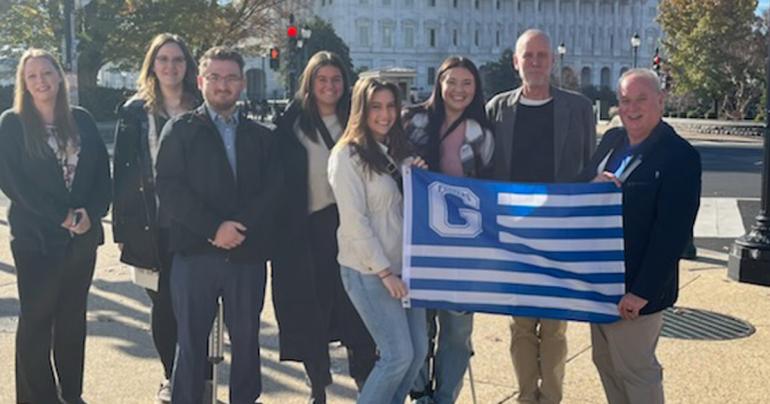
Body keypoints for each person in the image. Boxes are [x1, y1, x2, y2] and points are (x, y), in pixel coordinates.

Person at [155, 46, 280, 404]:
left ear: (241, 83)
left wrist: (238, 227)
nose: (222, 85)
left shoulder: (263, 136)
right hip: (195, 254)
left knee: (246, 342)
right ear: (201, 80)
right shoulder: (180, 129)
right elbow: (169, 187)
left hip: (247, 254)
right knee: (190, 344)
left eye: (230, 78)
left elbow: (273, 190)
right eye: (215, 77)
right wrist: (213, 229)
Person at [485, 29, 596, 404]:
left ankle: (550, 398)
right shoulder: (497, 108)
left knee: (554, 328)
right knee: (519, 328)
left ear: (552, 61)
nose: (535, 62)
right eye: (528, 55)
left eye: (541, 55)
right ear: (516, 62)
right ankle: (524, 396)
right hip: (514, 233)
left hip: (559, 233)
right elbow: (482, 169)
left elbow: (588, 166)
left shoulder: (578, 108)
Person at [578, 68, 701, 404]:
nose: (631, 108)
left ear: (660, 101)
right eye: (625, 100)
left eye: (641, 99)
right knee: (605, 362)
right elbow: (579, 188)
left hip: (634, 292)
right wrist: (591, 187)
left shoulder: (679, 155)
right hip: (599, 283)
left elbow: (673, 233)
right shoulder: (612, 141)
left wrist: (641, 292)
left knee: (636, 370)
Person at [0, 48, 111, 404]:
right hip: (36, 240)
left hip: (81, 240)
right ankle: (37, 397)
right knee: (36, 319)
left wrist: (92, 213)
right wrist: (59, 216)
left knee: (72, 319)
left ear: (60, 76)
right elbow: (13, 182)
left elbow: (101, 177)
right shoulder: (13, 124)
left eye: (46, 73)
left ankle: (71, 393)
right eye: (32, 76)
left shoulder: (82, 119)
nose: (41, 81)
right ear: (24, 83)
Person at [272, 51, 376, 403]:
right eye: (322, 80)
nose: (329, 86)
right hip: (307, 230)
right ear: (310, 83)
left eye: (335, 79)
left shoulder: (358, 121)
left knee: (357, 310)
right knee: (310, 309)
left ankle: (364, 377)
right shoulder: (292, 122)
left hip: (352, 227)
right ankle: (318, 382)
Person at [328, 77, 428, 404]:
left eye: (390, 106)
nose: (384, 115)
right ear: (362, 109)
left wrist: (419, 176)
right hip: (370, 270)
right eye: (376, 107)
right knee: (396, 355)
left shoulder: (399, 151)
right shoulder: (347, 157)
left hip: (406, 267)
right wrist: (385, 273)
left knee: (416, 355)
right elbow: (355, 223)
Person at [111, 33, 200, 403]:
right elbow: (123, 172)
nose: (170, 66)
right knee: (163, 305)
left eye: (177, 59)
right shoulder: (135, 111)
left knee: (196, 305)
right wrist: (121, 228)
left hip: (196, 225)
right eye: (163, 59)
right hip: (152, 225)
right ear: (152, 64)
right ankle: (171, 376)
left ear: (187, 65)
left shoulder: (201, 105)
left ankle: (197, 376)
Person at [403, 56, 494, 404]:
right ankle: (420, 392)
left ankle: (444, 397)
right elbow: (387, 163)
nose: (458, 89)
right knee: (417, 328)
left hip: (463, 246)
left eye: (466, 83)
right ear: (439, 83)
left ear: (476, 88)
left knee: (456, 331)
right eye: (451, 81)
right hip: (417, 239)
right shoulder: (413, 120)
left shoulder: (482, 133)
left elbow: (489, 187)